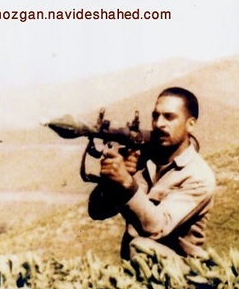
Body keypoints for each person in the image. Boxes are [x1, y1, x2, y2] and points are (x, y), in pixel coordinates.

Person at [88, 87, 216, 268]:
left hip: (185, 271)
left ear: (190, 124)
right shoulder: (145, 160)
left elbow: (157, 228)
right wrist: (111, 182)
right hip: (140, 263)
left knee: (141, 246)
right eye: (155, 116)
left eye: (169, 117)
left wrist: (127, 183)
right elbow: (97, 212)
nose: (159, 124)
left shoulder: (198, 176)